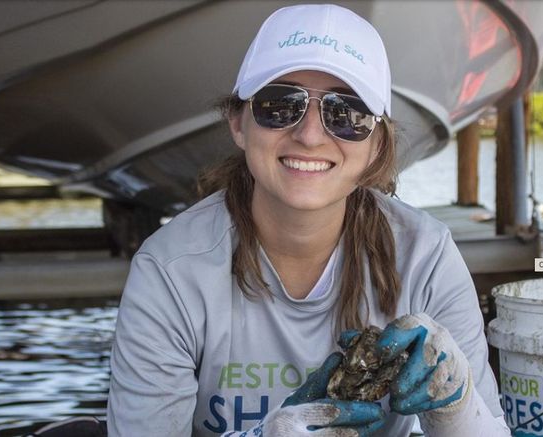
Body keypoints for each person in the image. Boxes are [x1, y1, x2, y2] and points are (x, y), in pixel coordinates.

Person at [106, 4, 510, 436]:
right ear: (238, 123)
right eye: (280, 105)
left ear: (377, 144)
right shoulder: (170, 271)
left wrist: (456, 403)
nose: (310, 135)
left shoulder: (425, 257)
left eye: (347, 114)